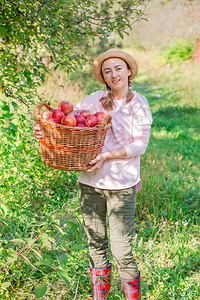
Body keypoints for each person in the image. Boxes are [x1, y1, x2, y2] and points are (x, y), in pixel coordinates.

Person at [33, 48, 153, 300]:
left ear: (129, 71)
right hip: (90, 183)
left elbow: (140, 144)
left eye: (118, 68)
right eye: (107, 71)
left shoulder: (138, 103)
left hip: (122, 185)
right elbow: (70, 121)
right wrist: (45, 130)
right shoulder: (96, 99)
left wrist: (106, 156)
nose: (113, 74)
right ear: (103, 76)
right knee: (96, 246)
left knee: (121, 251)